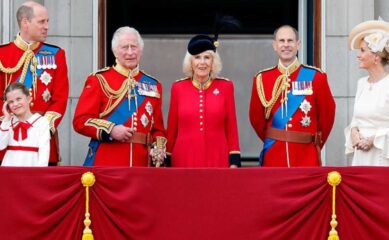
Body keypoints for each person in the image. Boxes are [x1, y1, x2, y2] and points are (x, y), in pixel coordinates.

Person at [73, 26, 166, 167]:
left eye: (134, 47)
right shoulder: (98, 80)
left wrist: (158, 148)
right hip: (107, 162)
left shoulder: (153, 85)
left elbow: (158, 129)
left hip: (141, 164)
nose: (130, 52)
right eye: (124, 47)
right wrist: (111, 129)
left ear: (140, 51)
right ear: (115, 51)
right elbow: (81, 121)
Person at [249, 25, 336, 167]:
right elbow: (256, 119)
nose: (286, 45)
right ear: (274, 45)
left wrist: (312, 141)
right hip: (274, 155)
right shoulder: (262, 78)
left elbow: (327, 116)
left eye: (290, 41)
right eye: (281, 41)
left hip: (306, 155)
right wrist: (275, 138)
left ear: (298, 44)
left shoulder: (316, 77)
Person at [0, 1, 69, 166]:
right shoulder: (3, 54)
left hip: (42, 142)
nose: (47, 26)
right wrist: (9, 123)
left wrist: (42, 127)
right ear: (25, 22)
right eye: (41, 22)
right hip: (8, 139)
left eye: (48, 21)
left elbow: (60, 99)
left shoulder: (56, 54)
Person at [166, 34, 241, 168]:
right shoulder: (178, 88)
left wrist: (234, 160)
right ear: (190, 62)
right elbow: (172, 129)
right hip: (184, 158)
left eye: (207, 57)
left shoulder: (226, 87)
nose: (202, 62)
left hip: (218, 157)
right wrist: (167, 158)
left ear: (213, 62)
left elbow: (231, 127)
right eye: (197, 57)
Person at [345, 19, 389, 166]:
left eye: (363, 50)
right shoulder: (361, 84)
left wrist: (374, 139)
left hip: (384, 158)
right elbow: (356, 120)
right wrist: (354, 133)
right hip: (361, 157)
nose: (358, 55)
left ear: (376, 57)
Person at [0, 82, 50, 166]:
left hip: (31, 169)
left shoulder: (41, 122)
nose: (15, 104)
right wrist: (6, 119)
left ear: (29, 99)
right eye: (11, 102)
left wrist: (41, 174)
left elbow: (44, 151)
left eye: (18, 99)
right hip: (9, 169)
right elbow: (1, 146)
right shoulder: (7, 122)